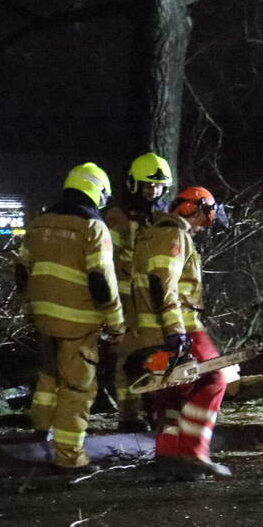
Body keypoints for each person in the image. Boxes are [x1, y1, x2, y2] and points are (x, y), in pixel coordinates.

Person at [17, 162, 125, 473]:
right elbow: (101, 280)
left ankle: (41, 431)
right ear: (96, 192)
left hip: (43, 316)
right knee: (77, 389)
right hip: (78, 321)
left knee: (49, 376)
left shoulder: (39, 223)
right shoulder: (92, 227)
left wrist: (30, 307)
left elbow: (22, 270)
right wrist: (116, 322)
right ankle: (69, 456)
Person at [131, 185, 231, 480]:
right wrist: (177, 331)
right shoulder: (174, 235)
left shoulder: (148, 235)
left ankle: (168, 453)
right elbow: (165, 285)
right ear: (192, 208)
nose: (207, 220)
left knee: (173, 391)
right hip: (181, 325)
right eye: (206, 212)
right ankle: (193, 451)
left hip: (149, 329)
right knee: (215, 378)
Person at [105, 152, 173, 432]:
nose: (153, 191)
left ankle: (156, 409)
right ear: (134, 184)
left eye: (158, 187)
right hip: (125, 302)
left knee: (158, 357)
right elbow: (107, 259)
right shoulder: (117, 217)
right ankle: (129, 416)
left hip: (153, 301)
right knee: (127, 360)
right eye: (148, 186)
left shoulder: (163, 219)